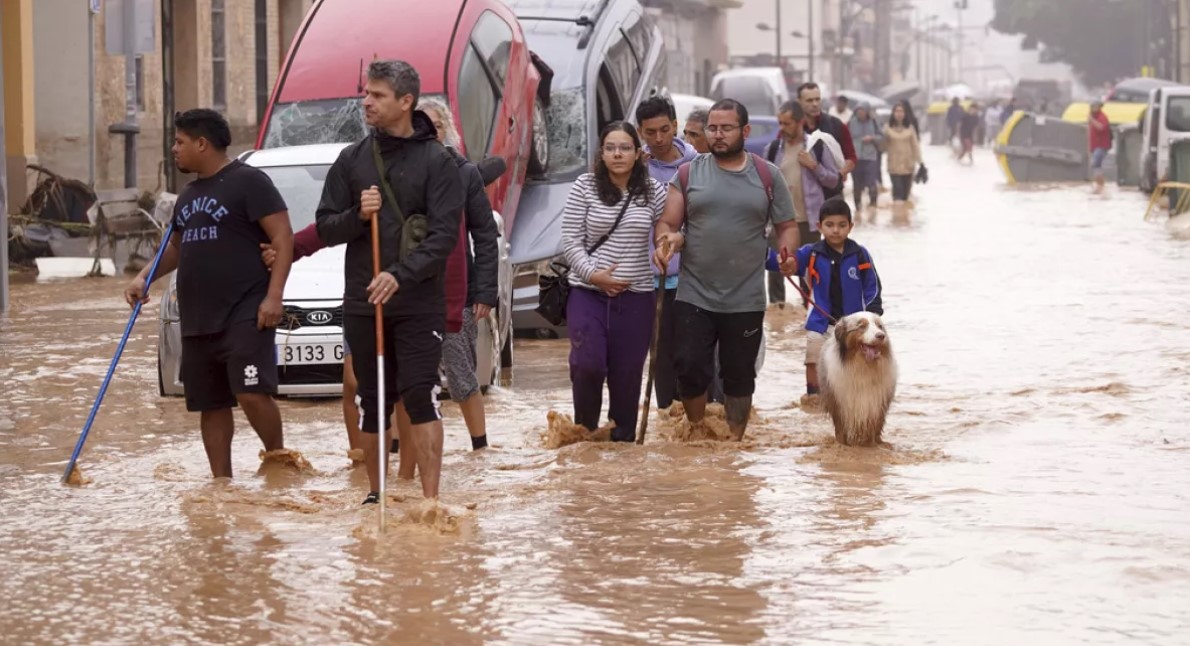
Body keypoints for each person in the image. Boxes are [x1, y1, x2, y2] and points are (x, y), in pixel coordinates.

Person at [315, 59, 463, 504]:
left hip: (418, 302)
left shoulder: (439, 162)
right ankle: (375, 496)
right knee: (372, 398)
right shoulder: (352, 159)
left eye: (377, 95)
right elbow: (324, 227)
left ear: (406, 101)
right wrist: (358, 215)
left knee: (420, 393)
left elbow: (442, 239)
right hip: (364, 301)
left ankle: (431, 501)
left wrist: (399, 275)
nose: (366, 102)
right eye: (366, 93)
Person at [124, 109, 294, 478]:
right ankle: (222, 483)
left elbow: (283, 237)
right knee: (210, 404)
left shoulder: (249, 182)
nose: (174, 149)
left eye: (180, 141)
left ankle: (279, 459)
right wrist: (143, 278)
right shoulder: (188, 195)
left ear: (202, 144)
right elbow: (176, 247)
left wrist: (274, 296)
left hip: (246, 309)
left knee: (251, 392)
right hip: (199, 316)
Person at [654, 99, 801, 441]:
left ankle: (734, 441)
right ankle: (697, 432)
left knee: (739, 377)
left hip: (745, 298)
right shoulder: (689, 173)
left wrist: (787, 253)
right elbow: (668, 222)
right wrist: (667, 242)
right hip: (694, 294)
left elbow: (787, 226)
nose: (718, 135)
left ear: (745, 131)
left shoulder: (767, 175)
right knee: (689, 368)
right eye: (712, 128)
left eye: (726, 128)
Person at [561, 121, 667, 442]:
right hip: (587, 292)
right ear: (602, 153)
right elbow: (570, 241)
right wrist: (594, 275)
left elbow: (669, 228)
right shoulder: (584, 186)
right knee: (587, 365)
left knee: (628, 376)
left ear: (638, 154)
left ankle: (621, 444)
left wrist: (664, 247)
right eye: (610, 148)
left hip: (636, 298)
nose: (617, 154)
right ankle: (586, 435)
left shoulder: (654, 191)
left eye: (624, 148)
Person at [764, 197, 881, 408]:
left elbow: (873, 286)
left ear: (851, 226)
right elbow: (784, 263)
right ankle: (814, 399)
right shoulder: (811, 253)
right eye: (830, 225)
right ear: (819, 226)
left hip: (854, 327)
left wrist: (872, 313)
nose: (836, 230)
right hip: (820, 322)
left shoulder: (861, 255)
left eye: (842, 225)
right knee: (813, 360)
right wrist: (765, 254)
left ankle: (856, 401)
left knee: (858, 363)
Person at [635, 97, 704, 410]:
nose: (659, 139)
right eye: (651, 133)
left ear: (676, 126)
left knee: (693, 356)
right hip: (647, 280)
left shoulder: (697, 166)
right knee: (659, 357)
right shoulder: (634, 167)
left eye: (665, 130)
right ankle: (667, 420)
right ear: (641, 132)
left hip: (693, 278)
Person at [765, 100, 840, 306]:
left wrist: (814, 166)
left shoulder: (816, 147)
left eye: (786, 123)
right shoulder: (772, 150)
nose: (782, 128)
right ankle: (778, 315)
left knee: (808, 271)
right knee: (775, 270)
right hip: (779, 220)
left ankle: (809, 314)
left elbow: (834, 180)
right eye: (779, 123)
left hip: (809, 220)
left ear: (800, 123)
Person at [797, 83, 857, 195]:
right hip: (803, 195)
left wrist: (840, 173)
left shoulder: (836, 125)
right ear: (799, 101)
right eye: (809, 100)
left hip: (832, 193)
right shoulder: (793, 129)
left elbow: (851, 157)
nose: (815, 104)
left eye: (817, 99)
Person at [884, 102, 923, 213]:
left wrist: (921, 163)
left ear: (905, 113)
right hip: (894, 166)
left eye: (901, 111)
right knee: (898, 194)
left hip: (908, 166)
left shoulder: (910, 128)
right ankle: (897, 220)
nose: (899, 114)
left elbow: (915, 146)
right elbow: (882, 147)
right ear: (893, 113)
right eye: (897, 111)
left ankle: (904, 220)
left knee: (905, 196)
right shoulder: (887, 128)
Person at [848, 102, 883, 212]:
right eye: (858, 110)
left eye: (862, 110)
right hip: (856, 158)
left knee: (872, 183)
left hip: (870, 157)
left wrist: (872, 138)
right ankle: (857, 208)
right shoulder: (851, 123)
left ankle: (873, 207)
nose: (860, 113)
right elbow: (845, 138)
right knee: (856, 185)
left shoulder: (873, 122)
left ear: (867, 112)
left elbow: (882, 136)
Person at [1088, 100, 1113, 192]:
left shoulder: (1102, 117)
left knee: (1096, 164)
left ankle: (1100, 186)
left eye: (1095, 106)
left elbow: (1102, 128)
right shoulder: (1093, 117)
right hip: (1095, 146)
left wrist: (1092, 121)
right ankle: (1099, 185)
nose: (1093, 108)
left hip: (1101, 146)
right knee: (1095, 165)